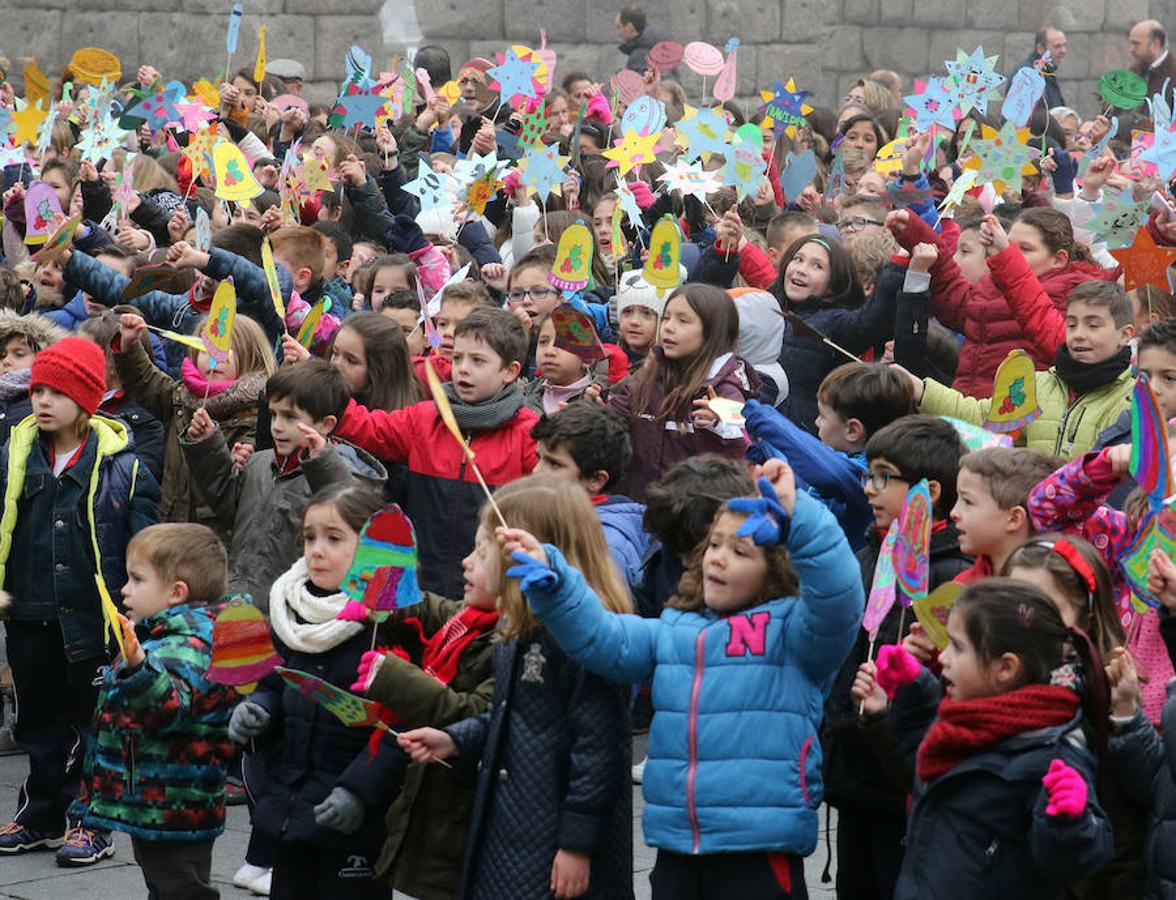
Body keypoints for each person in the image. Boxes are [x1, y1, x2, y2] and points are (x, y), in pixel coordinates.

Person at [453, 461, 861, 898]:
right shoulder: (676, 629)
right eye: (714, 545)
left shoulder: (796, 635)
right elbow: (603, 637)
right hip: (677, 844)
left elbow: (838, 595)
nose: (719, 558)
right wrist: (558, 587)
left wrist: (799, 518)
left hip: (757, 847)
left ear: (777, 568)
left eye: (741, 552)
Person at [397, 475, 635, 900]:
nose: (467, 562)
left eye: (482, 551)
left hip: (553, 841)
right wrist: (454, 739)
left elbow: (600, 750)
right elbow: (514, 715)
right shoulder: (517, 629)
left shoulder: (584, 640)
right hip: (514, 827)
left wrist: (577, 844)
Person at [0, 337, 160, 863]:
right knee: (38, 724)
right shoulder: (14, 457)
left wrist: (138, 608)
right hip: (29, 610)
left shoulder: (124, 466)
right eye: (38, 389)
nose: (42, 401)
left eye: (57, 392)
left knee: (95, 725)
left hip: (94, 619)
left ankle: (93, 823)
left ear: (86, 399)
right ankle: (41, 816)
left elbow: (143, 544)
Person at [856, 581, 1115, 899]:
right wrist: (916, 693)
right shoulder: (966, 720)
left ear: (1005, 667)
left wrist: (1069, 822)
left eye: (958, 646)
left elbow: (1075, 862)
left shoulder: (1050, 754)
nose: (945, 658)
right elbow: (919, 770)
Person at [823, 414, 971, 900]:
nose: (869, 488)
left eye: (884, 477)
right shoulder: (871, 553)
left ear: (928, 491)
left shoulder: (952, 573)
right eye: (868, 473)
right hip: (856, 766)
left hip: (901, 770)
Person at [227, 483, 394, 900]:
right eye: (310, 537)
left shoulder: (388, 623)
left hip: (353, 820)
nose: (317, 549)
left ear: (371, 546)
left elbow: (399, 729)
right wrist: (258, 712)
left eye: (334, 538)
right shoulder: (291, 613)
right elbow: (273, 684)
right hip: (291, 805)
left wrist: (359, 791)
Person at [71, 524, 237, 899]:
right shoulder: (164, 636)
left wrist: (138, 667)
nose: (125, 590)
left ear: (177, 592)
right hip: (161, 801)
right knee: (167, 885)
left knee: (180, 886)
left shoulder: (187, 644)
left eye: (137, 579)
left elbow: (170, 708)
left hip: (175, 804)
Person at [333, 307, 538, 598]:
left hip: (489, 592)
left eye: (478, 360)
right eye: (457, 358)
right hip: (420, 586)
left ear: (510, 371)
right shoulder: (426, 418)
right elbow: (369, 428)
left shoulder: (528, 433)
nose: (463, 368)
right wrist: (321, 392)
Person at [345, 538, 500, 900]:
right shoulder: (469, 618)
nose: (465, 561)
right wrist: (389, 601)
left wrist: (392, 678)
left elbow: (470, 714)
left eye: (482, 553)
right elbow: (432, 609)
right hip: (431, 808)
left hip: (457, 820)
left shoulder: (506, 641)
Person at [181, 359, 388, 610]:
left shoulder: (343, 474)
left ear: (326, 424)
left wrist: (322, 464)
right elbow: (230, 508)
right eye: (274, 414)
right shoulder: (259, 462)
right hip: (238, 601)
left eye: (290, 417)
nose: (277, 426)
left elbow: (350, 511)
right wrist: (208, 446)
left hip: (293, 613)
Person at [911, 281, 1136, 460]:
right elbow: (982, 417)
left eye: (1093, 325)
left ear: (1125, 334)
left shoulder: (1133, 398)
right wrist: (921, 391)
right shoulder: (1038, 383)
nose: (1078, 334)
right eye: (1072, 324)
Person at [114, 312, 275, 528]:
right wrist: (130, 344)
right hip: (173, 525)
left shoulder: (258, 412)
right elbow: (144, 380)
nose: (213, 357)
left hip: (217, 536)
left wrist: (222, 448)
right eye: (204, 349)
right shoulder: (181, 397)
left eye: (225, 350)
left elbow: (241, 485)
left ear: (250, 357)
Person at [606, 284, 758, 502]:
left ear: (713, 331)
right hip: (639, 505)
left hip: (690, 515)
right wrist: (594, 409)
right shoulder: (651, 375)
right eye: (666, 318)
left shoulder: (724, 388)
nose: (668, 327)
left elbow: (744, 442)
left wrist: (720, 424)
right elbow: (616, 411)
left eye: (682, 321)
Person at [531, 403, 650, 590]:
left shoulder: (605, 547)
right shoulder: (552, 517)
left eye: (554, 464)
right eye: (539, 458)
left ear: (596, 479)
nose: (536, 472)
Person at [951, 447, 1063, 583]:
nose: (953, 513)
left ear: (1014, 518)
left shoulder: (1046, 592)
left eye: (968, 501)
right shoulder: (961, 586)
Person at [1129, 19, 1176, 111]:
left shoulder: (1173, 73)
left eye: (1136, 44)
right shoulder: (1134, 71)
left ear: (1155, 44)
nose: (1131, 49)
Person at [1019, 26, 1068, 110]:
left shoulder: (1047, 72)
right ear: (1040, 48)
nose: (1063, 51)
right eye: (1057, 46)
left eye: (1064, 45)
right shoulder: (1028, 76)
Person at [616, 6, 673, 74]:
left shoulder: (638, 57)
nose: (618, 33)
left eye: (619, 27)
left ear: (629, 27)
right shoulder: (663, 46)